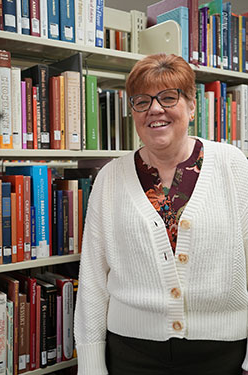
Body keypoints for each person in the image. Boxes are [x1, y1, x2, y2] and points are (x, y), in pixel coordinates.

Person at [74, 53, 248, 375]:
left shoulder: (234, 167)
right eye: (142, 101)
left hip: (221, 354)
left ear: (192, 106)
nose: (155, 109)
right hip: (131, 354)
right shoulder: (109, 179)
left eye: (169, 97)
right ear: (133, 112)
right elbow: (93, 283)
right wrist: (91, 365)